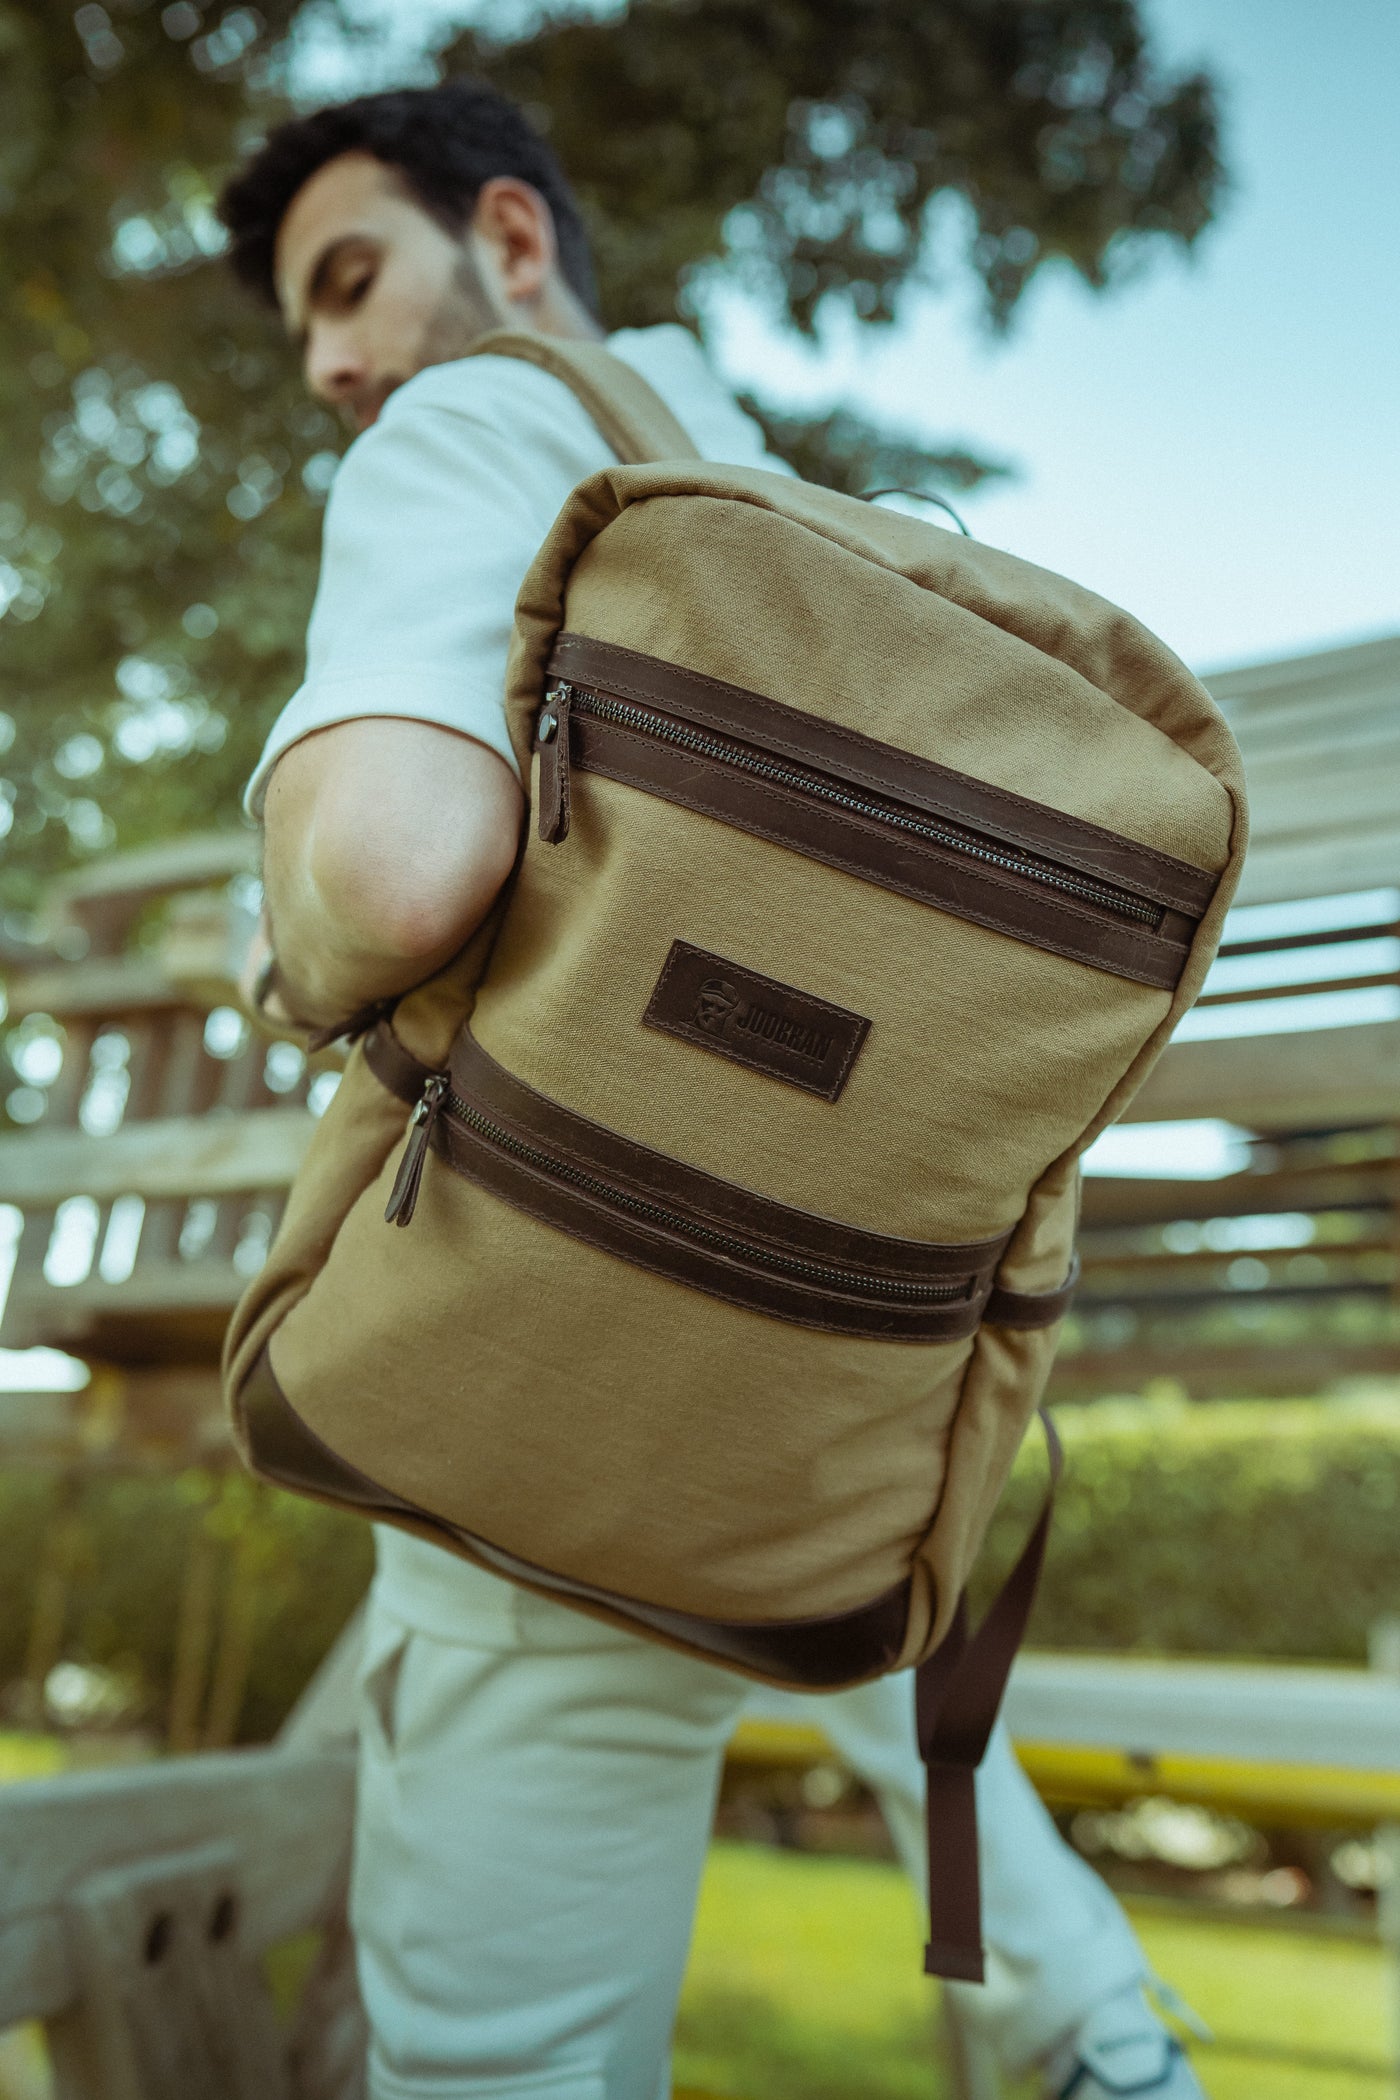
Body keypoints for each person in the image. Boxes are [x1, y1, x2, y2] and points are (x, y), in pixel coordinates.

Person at [219, 81, 1205, 2100]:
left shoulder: (480, 423)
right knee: (835, 1613)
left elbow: (398, 867)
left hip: (535, 1397)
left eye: (349, 282)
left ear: (509, 243)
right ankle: (1087, 2029)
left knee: (502, 2059)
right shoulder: (797, 515)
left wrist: (290, 950)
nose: (330, 360)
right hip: (833, 1436)